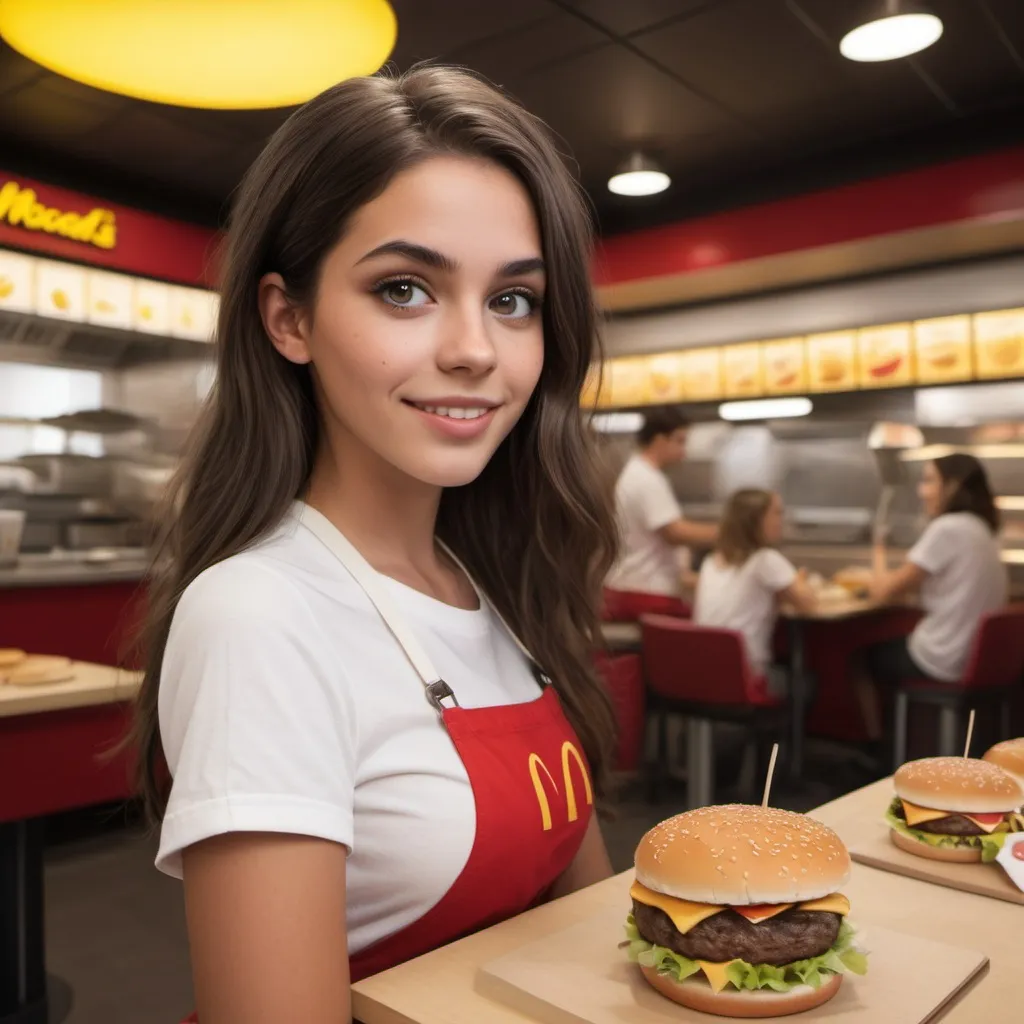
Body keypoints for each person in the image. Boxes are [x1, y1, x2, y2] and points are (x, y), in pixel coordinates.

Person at [131, 65, 621, 1024]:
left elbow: (590, 923)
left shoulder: (491, 585)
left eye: (514, 300)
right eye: (406, 289)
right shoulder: (259, 616)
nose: (475, 348)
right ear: (290, 319)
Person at [865, 453, 1007, 696]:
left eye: (929, 481)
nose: (921, 491)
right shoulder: (985, 530)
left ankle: (875, 735)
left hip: (942, 657)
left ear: (952, 486)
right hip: (981, 659)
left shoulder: (947, 528)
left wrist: (878, 546)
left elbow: (882, 592)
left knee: (863, 658)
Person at [694, 489, 815, 693]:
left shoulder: (711, 561)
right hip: (747, 680)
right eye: (776, 513)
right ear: (757, 521)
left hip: (703, 677)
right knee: (808, 684)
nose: (781, 520)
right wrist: (799, 582)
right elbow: (809, 604)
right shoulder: (766, 559)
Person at [604, 409, 717, 619]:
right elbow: (675, 533)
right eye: (680, 441)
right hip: (644, 593)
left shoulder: (638, 473)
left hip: (633, 589)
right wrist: (732, 532)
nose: (684, 451)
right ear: (658, 440)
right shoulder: (646, 478)